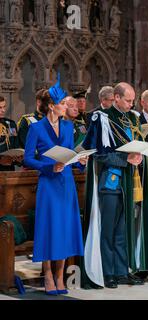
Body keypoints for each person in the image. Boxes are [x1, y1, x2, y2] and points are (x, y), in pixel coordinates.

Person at [82, 82, 148, 289]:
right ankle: (108, 272)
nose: (132, 104)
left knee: (124, 230)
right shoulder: (102, 118)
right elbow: (98, 153)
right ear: (116, 97)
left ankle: (122, 270)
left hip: (130, 181)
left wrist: (141, 156)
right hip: (110, 182)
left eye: (133, 100)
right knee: (108, 230)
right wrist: (126, 159)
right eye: (128, 100)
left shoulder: (133, 118)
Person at [23, 76, 87, 295]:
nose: (66, 107)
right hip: (49, 184)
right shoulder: (37, 128)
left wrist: (80, 161)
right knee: (50, 228)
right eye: (62, 104)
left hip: (66, 182)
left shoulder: (69, 127)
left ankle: (61, 276)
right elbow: (28, 158)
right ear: (52, 106)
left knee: (65, 229)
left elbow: (70, 152)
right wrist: (48, 167)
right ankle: (48, 275)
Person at [0, 96, 20, 171]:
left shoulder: (10, 125)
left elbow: (14, 143)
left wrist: (18, 158)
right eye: (0, 108)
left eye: (4, 107)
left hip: (9, 168)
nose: (3, 110)